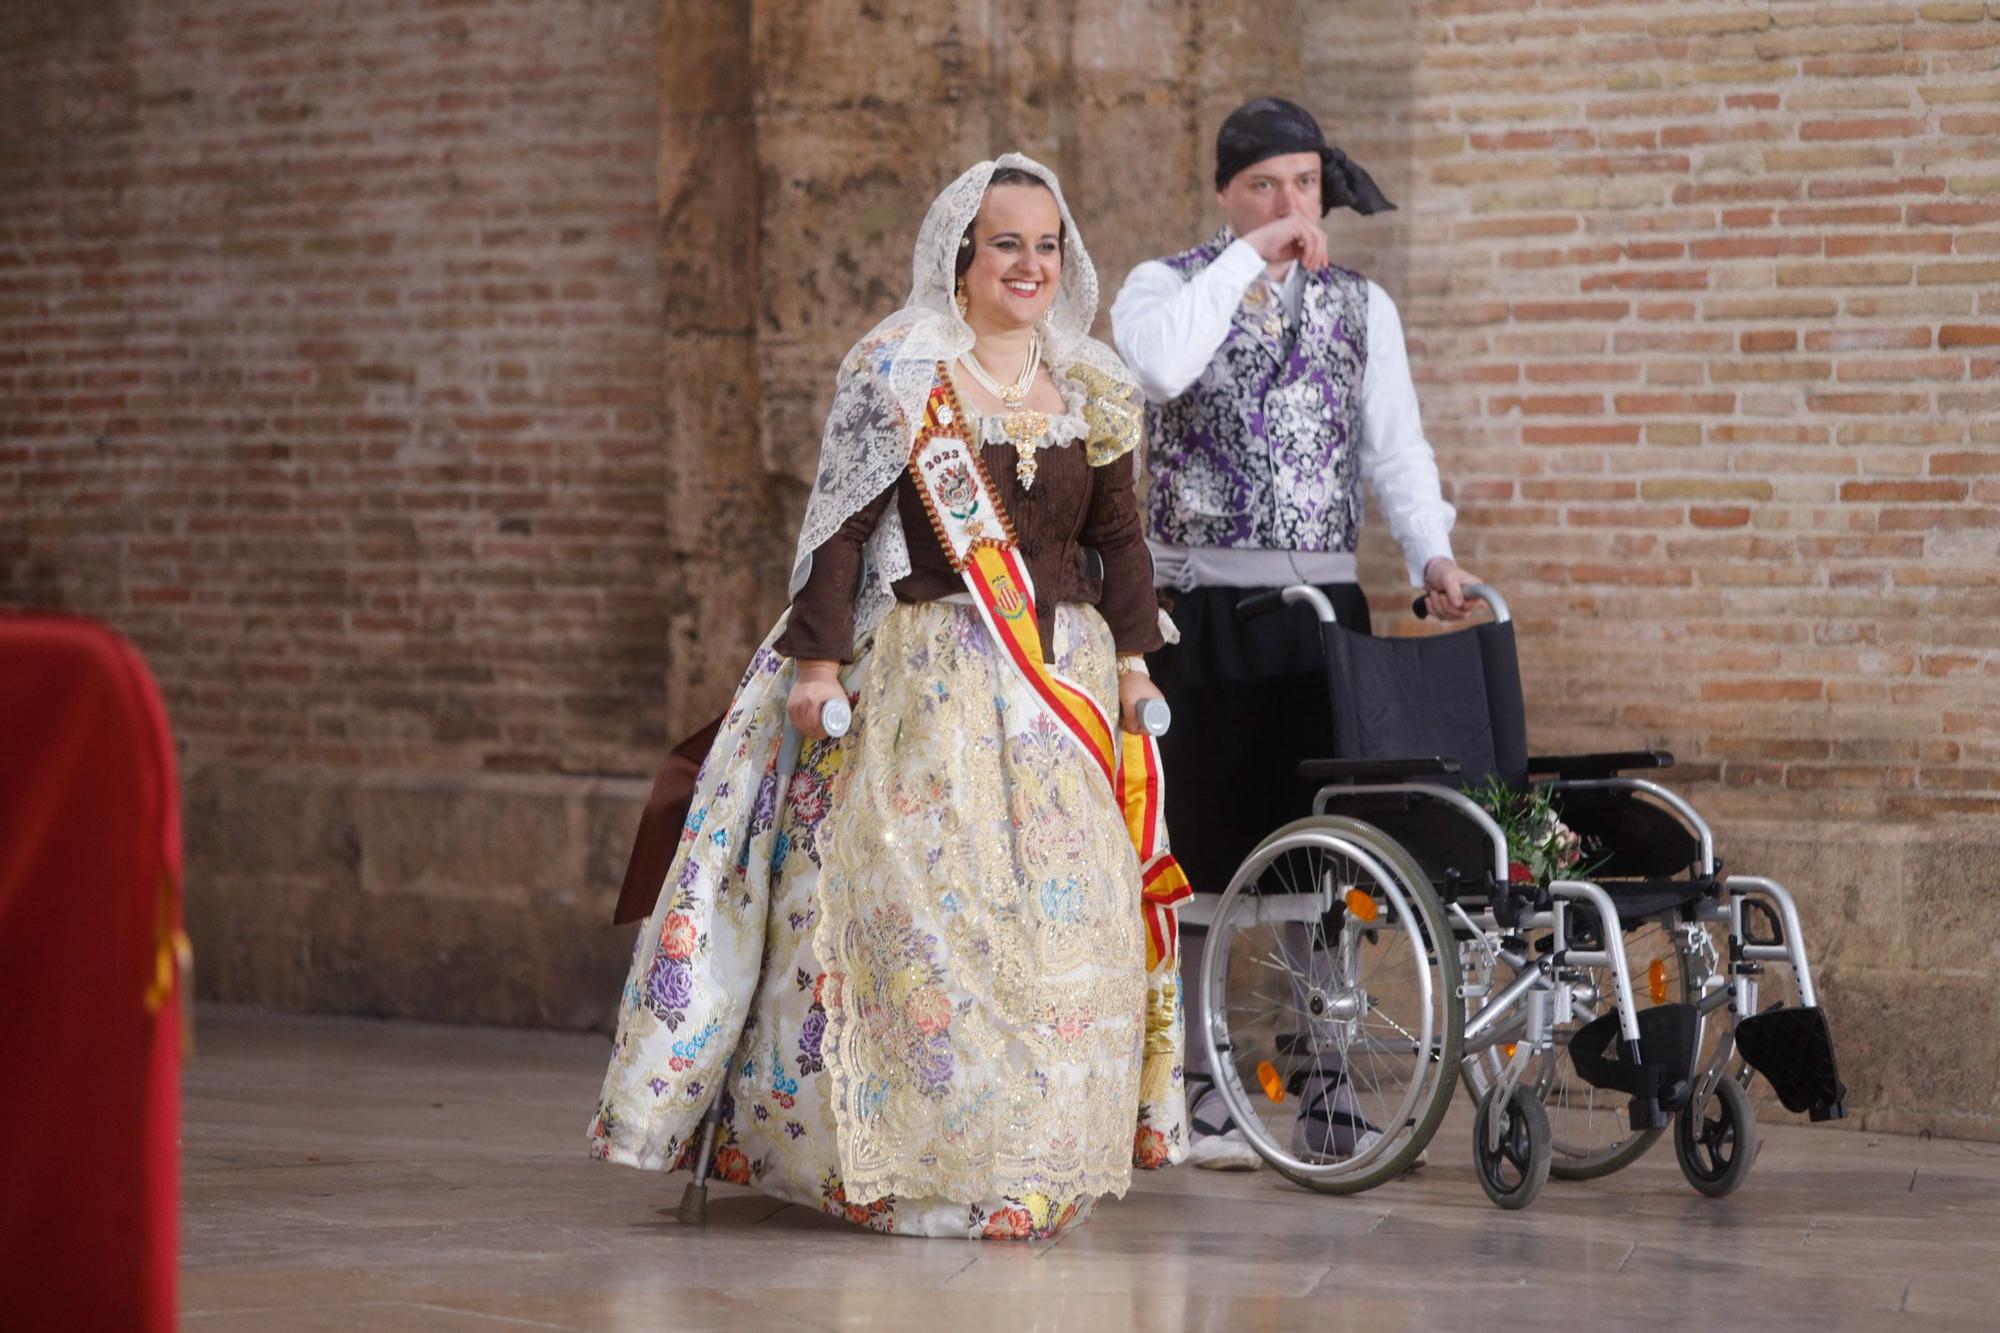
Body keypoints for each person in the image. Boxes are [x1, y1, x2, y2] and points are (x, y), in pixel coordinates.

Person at [590, 154, 1191, 1239]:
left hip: (1058, 684)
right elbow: (839, 528)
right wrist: (816, 669)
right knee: (926, 923)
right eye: (1005, 242)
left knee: (1064, 928)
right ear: (958, 258)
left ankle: (1034, 1158)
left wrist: (1138, 660)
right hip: (928, 687)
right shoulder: (898, 369)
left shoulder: (1090, 381)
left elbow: (1116, 537)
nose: (1030, 264)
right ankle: (916, 1167)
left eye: (1046, 243)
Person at [1110, 97, 1478, 1171]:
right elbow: (1161, 372)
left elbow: (1394, 450)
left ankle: (1322, 1083)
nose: (1288, 205)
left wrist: (1429, 558)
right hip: (1200, 613)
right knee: (1201, 858)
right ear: (1225, 194)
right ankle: (1196, 1089)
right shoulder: (1163, 287)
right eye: (1263, 186)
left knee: (1327, 864)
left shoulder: (1361, 307)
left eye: (1304, 186)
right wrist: (1248, 260)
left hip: (1322, 616)